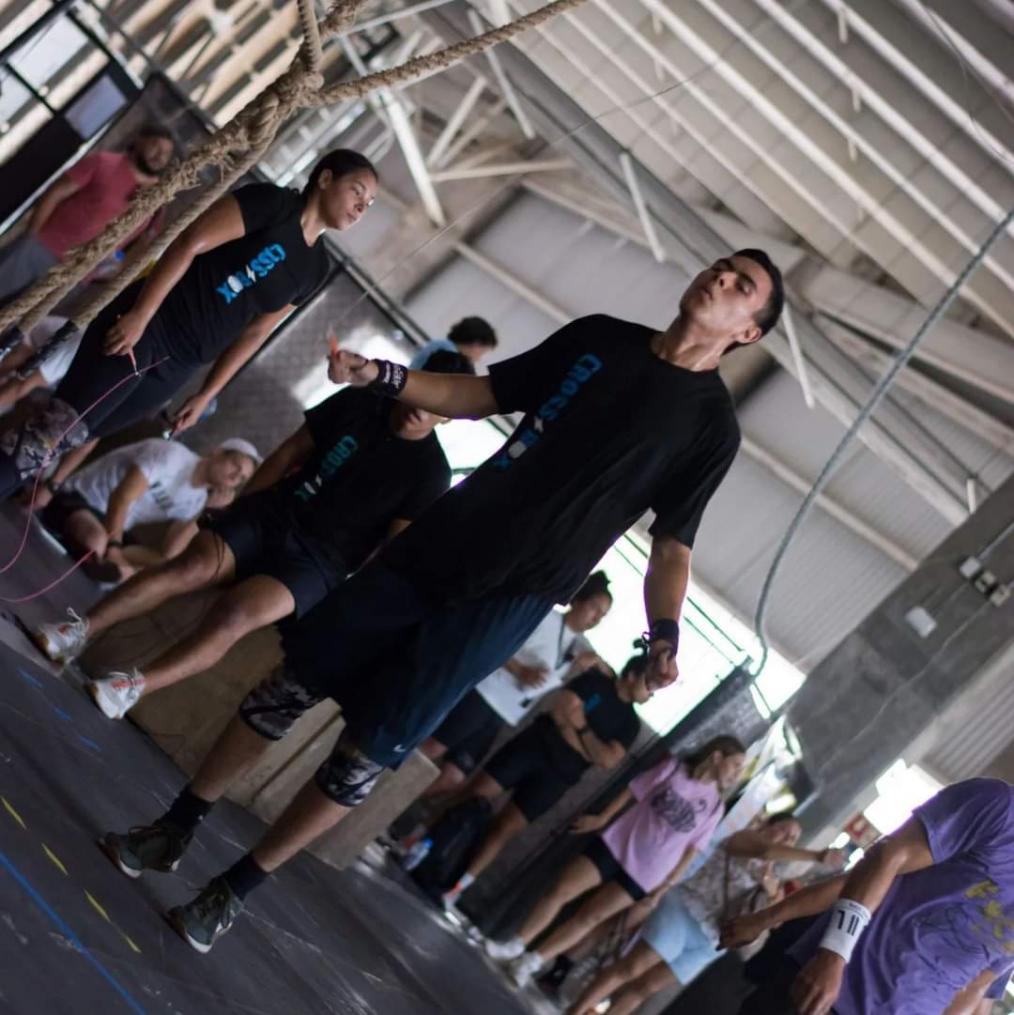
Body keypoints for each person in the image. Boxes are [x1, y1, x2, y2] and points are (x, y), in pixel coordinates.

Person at [97, 248, 784, 954]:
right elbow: (481, 394)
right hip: (436, 544)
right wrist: (383, 375)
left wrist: (665, 633)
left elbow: (672, 547)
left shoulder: (711, 428)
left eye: (742, 286)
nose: (719, 279)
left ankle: (233, 890)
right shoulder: (600, 337)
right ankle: (175, 826)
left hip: (510, 598)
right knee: (288, 685)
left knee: (364, 755)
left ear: (749, 331)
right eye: (721, 266)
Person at [34, 349, 471, 718]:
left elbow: (393, 549)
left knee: (235, 615)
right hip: (273, 513)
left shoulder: (432, 473)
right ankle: (79, 631)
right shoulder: (359, 402)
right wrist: (241, 507)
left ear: (449, 417)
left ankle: (132, 687)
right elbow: (288, 453)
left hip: (319, 562)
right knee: (191, 567)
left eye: (440, 402)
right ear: (408, 381)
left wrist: (351, 609)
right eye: (424, 388)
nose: (424, 404)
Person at [0, 148, 379, 500]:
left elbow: (256, 332)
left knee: (69, 436)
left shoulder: (315, 268)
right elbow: (189, 242)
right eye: (357, 192)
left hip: (180, 365)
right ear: (325, 179)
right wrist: (141, 314)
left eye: (369, 203)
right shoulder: (272, 203)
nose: (361, 207)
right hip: (151, 326)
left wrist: (206, 393)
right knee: (54, 431)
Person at [721, 777, 1014, 1015]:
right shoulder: (999, 808)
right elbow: (886, 859)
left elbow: (979, 986)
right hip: (829, 988)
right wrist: (833, 952)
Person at [489, 735, 747, 986]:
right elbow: (634, 790)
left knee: (591, 917)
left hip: (647, 872)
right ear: (717, 756)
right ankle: (516, 944)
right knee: (560, 890)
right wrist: (602, 818)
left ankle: (532, 961)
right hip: (617, 842)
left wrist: (664, 887)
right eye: (735, 765)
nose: (736, 774)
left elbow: (692, 850)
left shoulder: (715, 807)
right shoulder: (674, 769)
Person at [570, 813, 844, 1015]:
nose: (787, 840)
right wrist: (816, 856)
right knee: (632, 967)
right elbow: (767, 850)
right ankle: (577, 1010)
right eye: (784, 831)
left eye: (793, 839)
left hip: (712, 939)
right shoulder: (745, 839)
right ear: (769, 825)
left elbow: (775, 922)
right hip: (686, 908)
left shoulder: (774, 877)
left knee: (646, 987)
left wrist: (771, 889)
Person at [437, 652, 650, 909]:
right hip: (534, 745)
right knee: (475, 793)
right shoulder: (595, 681)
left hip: (560, 776)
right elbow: (561, 710)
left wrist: (581, 728)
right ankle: (418, 844)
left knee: (506, 827)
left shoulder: (631, 724)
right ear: (632, 675)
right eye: (648, 683)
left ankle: (457, 888)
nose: (651, 692)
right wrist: (588, 747)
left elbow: (607, 760)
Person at [419, 570, 613, 800]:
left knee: (454, 776)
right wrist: (519, 670)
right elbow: (498, 642)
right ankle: (387, 788)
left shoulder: (581, 645)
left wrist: (597, 664)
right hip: (486, 694)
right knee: (432, 748)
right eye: (594, 608)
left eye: (602, 615)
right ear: (577, 600)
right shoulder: (545, 618)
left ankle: (398, 800)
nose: (596, 618)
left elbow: (606, 670)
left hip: (506, 712)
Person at [37, 436, 259, 583]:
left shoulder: (198, 500)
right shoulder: (172, 455)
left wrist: (206, 512)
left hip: (116, 529)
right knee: (97, 541)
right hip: (84, 499)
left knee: (161, 567)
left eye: (241, 479)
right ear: (217, 452)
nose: (234, 477)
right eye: (235, 465)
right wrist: (114, 549)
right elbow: (122, 496)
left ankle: (110, 567)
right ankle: (106, 562)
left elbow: (169, 554)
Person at [0, 124, 175, 310]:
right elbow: (55, 193)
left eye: (166, 153)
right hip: (41, 248)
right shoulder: (102, 161)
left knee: (15, 323)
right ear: (139, 140)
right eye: (155, 146)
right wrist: (31, 235)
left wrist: (109, 272)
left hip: (74, 277)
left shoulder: (158, 198)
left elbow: (144, 242)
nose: (160, 156)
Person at [409, 316, 498, 369]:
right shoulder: (450, 355)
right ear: (476, 344)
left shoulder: (440, 344)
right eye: (482, 353)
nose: (478, 359)